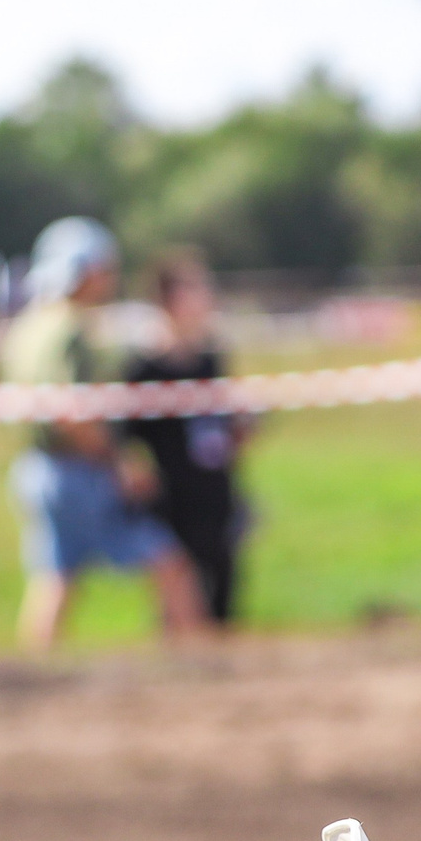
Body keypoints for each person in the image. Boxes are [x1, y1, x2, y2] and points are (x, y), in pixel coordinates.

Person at [0, 217, 207, 650]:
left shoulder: (30, 325)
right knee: (170, 564)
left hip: (39, 472)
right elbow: (71, 414)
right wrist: (117, 462)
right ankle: (198, 666)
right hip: (78, 474)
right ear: (85, 271)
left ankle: (30, 679)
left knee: (56, 579)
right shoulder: (70, 330)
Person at [123, 250, 250, 626]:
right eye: (196, 288)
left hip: (215, 491)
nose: (207, 297)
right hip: (171, 500)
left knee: (225, 595)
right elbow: (129, 439)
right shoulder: (142, 367)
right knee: (179, 602)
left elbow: (225, 425)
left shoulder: (212, 359)